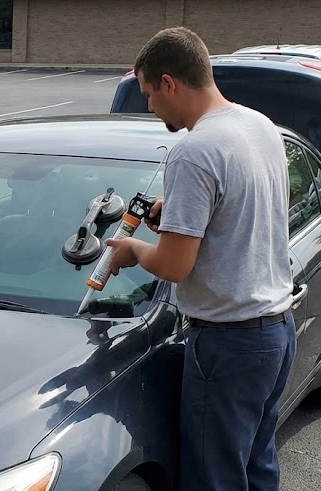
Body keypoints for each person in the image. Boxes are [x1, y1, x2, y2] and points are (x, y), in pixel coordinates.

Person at [104, 27, 296, 491]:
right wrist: (181, 214)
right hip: (276, 333)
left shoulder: (193, 152)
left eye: (149, 94)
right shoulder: (258, 125)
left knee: (214, 479)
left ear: (170, 83)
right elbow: (245, 208)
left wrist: (133, 250)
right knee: (256, 467)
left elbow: (174, 268)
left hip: (229, 345)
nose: (150, 107)